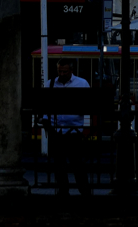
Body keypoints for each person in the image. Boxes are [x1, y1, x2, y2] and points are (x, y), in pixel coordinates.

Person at [46, 59, 91, 196]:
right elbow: (45, 106)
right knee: (60, 165)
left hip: (74, 130)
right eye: (60, 71)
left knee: (77, 164)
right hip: (58, 129)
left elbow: (89, 106)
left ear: (71, 71)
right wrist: (47, 122)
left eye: (65, 71)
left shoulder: (82, 84)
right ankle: (64, 191)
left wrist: (85, 128)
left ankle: (83, 190)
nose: (62, 74)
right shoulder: (51, 84)